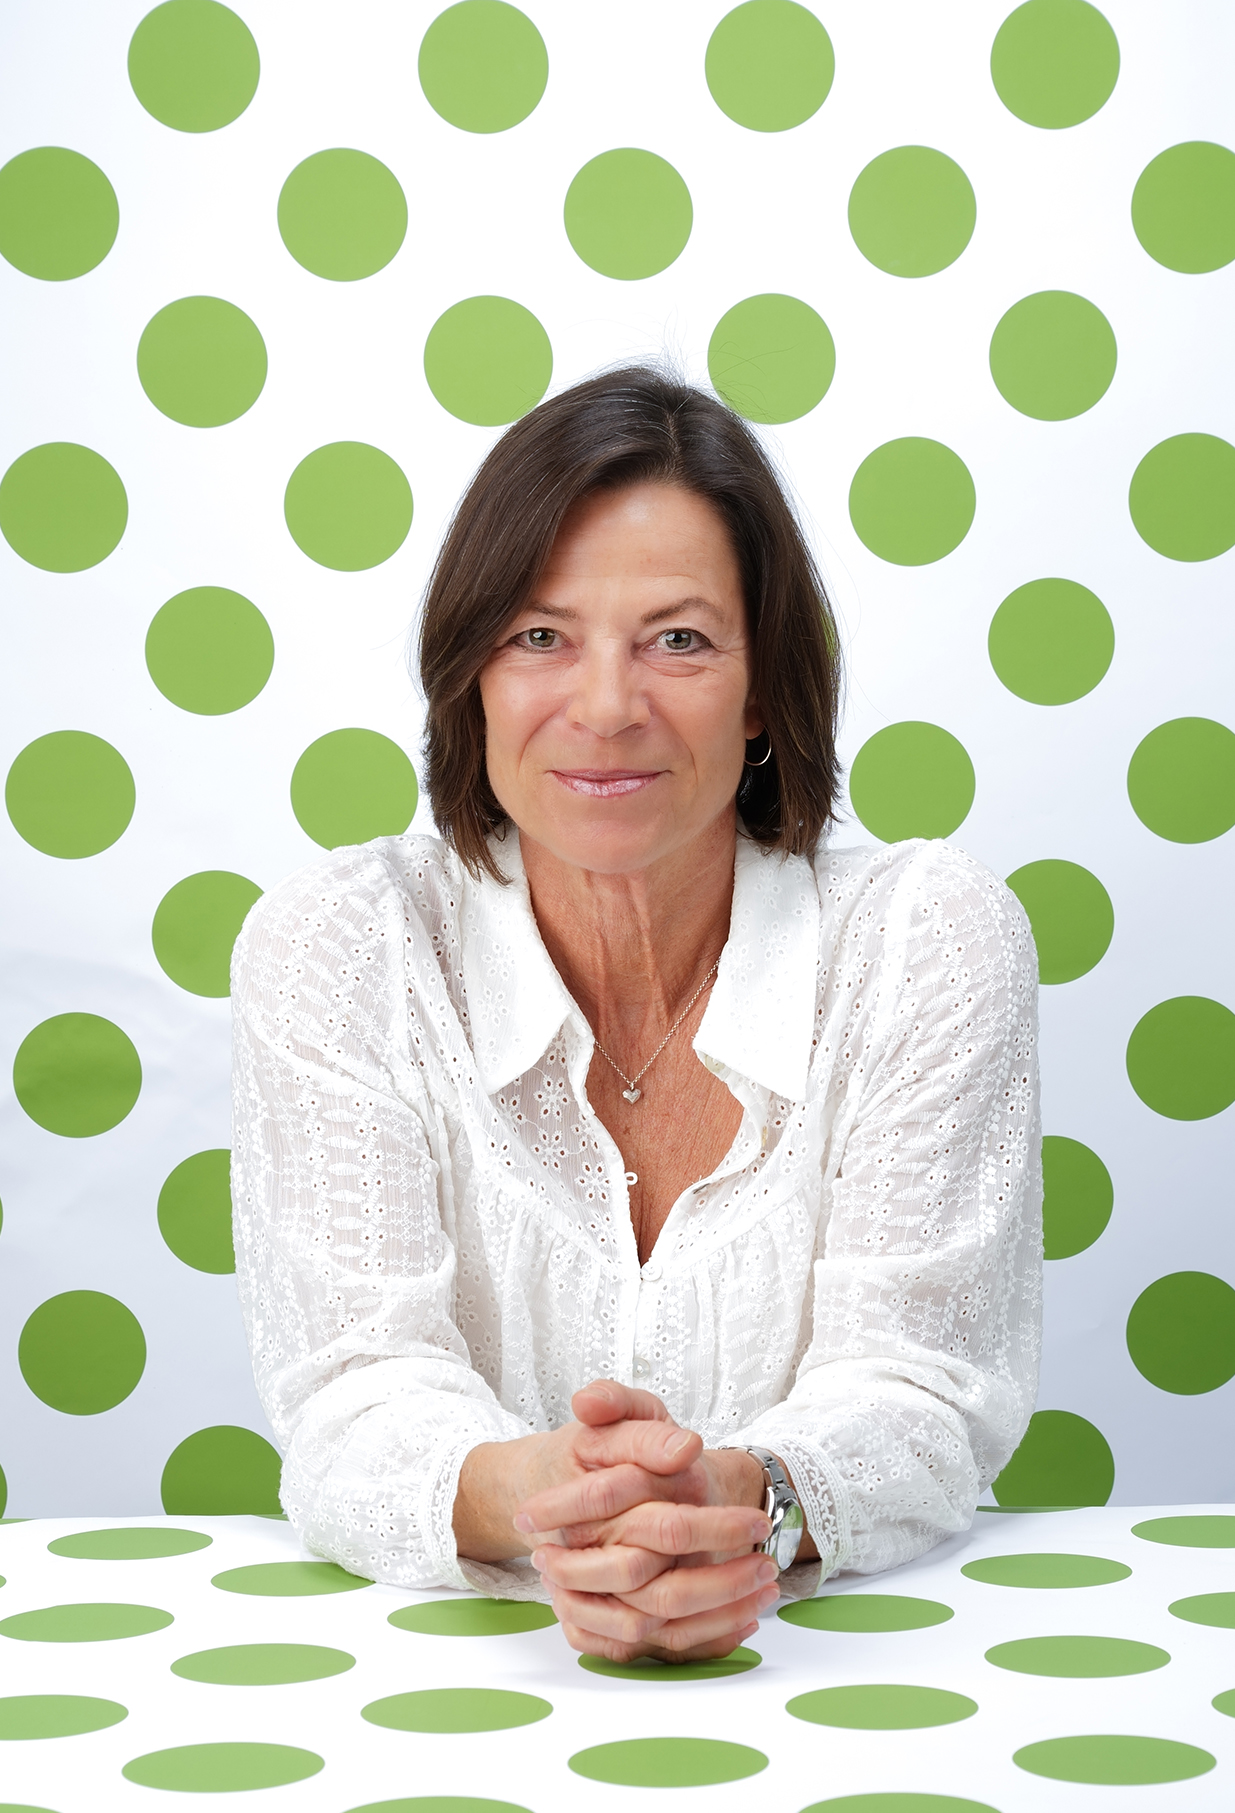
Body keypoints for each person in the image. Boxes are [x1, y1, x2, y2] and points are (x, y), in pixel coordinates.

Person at [231, 367, 1042, 1664]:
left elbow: (920, 1385)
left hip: (858, 1667)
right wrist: (556, 1499)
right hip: (441, 1687)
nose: (607, 707)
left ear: (765, 688)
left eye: (679, 640)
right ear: (471, 677)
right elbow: (353, 1394)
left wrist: (747, 1508)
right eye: (539, 637)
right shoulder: (343, 948)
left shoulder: (924, 941)